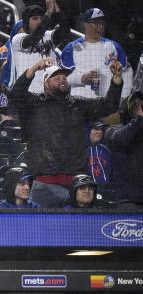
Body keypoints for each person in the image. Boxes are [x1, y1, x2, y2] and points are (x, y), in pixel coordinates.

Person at [10, 58, 123, 208]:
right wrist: (35, 68)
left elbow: (109, 105)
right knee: (43, 228)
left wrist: (116, 79)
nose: (62, 79)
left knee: (76, 229)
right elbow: (16, 95)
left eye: (64, 77)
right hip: (45, 182)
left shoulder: (78, 104)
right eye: (56, 78)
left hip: (77, 184)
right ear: (46, 85)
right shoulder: (35, 103)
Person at [9, 0, 70, 91]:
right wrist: (48, 12)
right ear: (27, 22)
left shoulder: (47, 36)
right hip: (28, 93)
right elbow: (34, 38)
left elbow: (65, 30)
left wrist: (55, 5)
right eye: (35, 18)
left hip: (48, 93)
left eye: (41, 18)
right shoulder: (18, 39)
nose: (39, 21)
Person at [61, 8, 133, 99]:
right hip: (78, 105)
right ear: (85, 24)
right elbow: (61, 79)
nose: (100, 27)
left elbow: (127, 71)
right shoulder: (71, 48)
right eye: (96, 23)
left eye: (102, 23)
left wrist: (124, 96)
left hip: (107, 106)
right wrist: (81, 79)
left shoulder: (114, 47)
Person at [103, 91, 143, 209]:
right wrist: (139, 119)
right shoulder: (113, 130)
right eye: (135, 104)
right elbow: (122, 139)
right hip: (126, 198)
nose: (139, 107)